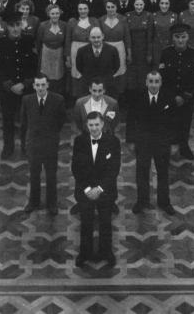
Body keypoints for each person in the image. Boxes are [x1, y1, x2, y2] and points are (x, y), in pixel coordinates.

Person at [70, 110, 121, 269]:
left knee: (106, 223)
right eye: (91, 125)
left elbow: (114, 169)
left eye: (96, 124)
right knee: (86, 223)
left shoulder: (113, 141)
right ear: (86, 125)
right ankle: (84, 253)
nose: (94, 128)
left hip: (105, 191)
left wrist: (99, 189)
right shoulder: (79, 141)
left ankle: (107, 252)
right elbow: (76, 168)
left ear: (102, 124)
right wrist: (87, 189)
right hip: (85, 190)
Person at [21, 74, 66, 215]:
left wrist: (52, 136)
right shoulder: (27, 100)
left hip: (50, 143)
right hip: (33, 144)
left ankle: (52, 203)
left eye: (43, 85)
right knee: (34, 174)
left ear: (48, 85)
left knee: (51, 174)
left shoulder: (58, 100)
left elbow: (61, 121)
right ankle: (33, 202)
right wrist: (26, 143)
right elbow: (24, 122)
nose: (40, 88)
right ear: (34, 86)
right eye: (38, 85)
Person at [131, 70, 176, 214]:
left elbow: (175, 121)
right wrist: (131, 141)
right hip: (143, 143)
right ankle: (142, 201)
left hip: (162, 143)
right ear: (146, 82)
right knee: (142, 173)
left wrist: (173, 143)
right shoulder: (138, 96)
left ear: (161, 83)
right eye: (151, 81)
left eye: (157, 81)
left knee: (163, 173)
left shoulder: (168, 97)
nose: (154, 85)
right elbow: (131, 120)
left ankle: (164, 202)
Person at [0, 18, 38, 157]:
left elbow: (34, 65)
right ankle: (8, 147)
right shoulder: (0, 42)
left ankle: (26, 146)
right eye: (12, 25)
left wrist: (24, 84)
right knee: (8, 119)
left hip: (26, 88)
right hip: (8, 89)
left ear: (21, 25)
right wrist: (10, 85)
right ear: (7, 26)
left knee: (27, 119)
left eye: (17, 25)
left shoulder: (29, 40)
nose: (15, 29)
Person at [158, 22, 194, 159]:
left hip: (186, 97)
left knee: (185, 122)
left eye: (183, 37)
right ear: (173, 38)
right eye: (177, 37)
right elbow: (162, 77)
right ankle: (169, 147)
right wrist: (171, 97)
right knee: (169, 122)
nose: (180, 40)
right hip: (169, 96)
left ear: (188, 37)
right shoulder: (166, 53)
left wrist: (184, 96)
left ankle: (184, 147)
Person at [75, 27, 120, 98]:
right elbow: (79, 67)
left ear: (103, 36)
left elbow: (116, 66)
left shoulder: (112, 50)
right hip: (88, 86)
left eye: (98, 37)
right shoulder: (81, 51)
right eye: (93, 37)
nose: (96, 40)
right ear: (89, 38)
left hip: (108, 86)